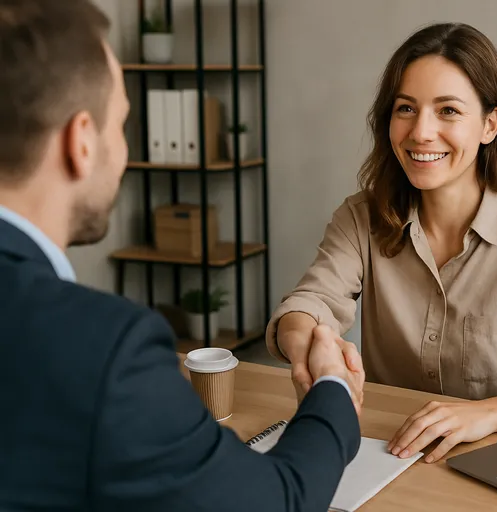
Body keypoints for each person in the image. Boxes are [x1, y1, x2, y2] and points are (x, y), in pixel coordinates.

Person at [0, 1, 364, 510]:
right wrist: (334, 388)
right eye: (120, 125)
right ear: (81, 141)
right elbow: (280, 501)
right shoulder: (103, 351)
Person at [266, 22, 497, 463]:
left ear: (490, 125)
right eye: (406, 108)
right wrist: (309, 346)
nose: (421, 132)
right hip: (391, 451)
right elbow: (308, 303)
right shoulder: (361, 217)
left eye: (448, 110)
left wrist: (485, 415)